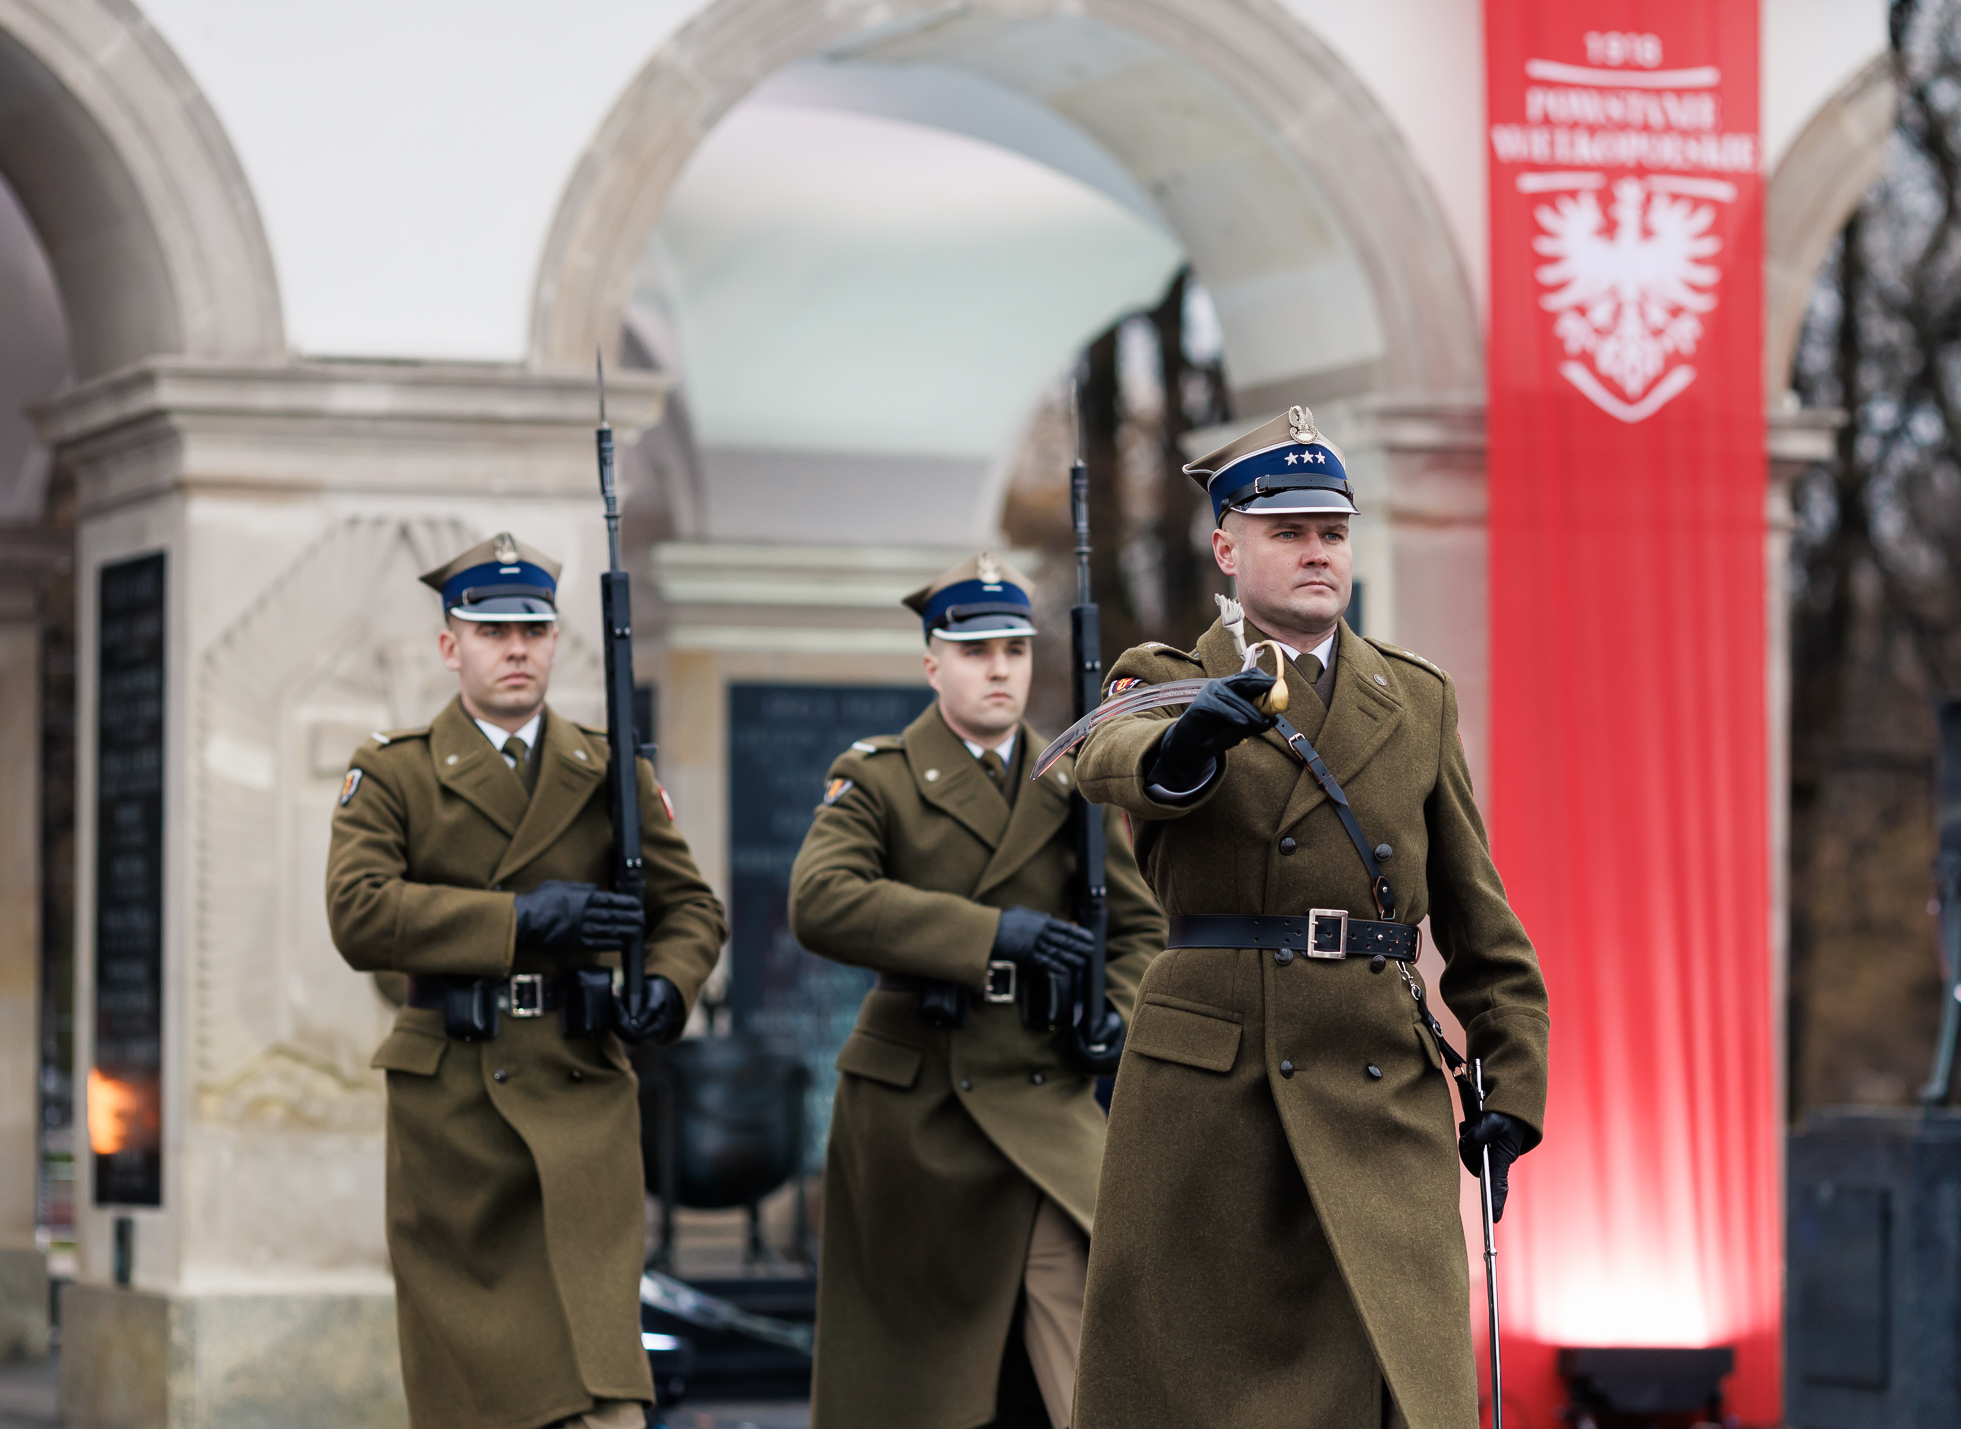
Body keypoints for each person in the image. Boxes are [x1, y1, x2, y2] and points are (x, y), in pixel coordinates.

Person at [1068, 408, 1550, 1429]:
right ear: (1226, 545)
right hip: (1213, 1090)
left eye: (1331, 530)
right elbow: (1103, 760)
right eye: (1286, 531)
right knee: (1198, 1392)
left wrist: (1510, 1078)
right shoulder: (1161, 678)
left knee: (1389, 1384)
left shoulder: (1411, 698)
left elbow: (1478, 916)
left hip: (1375, 1080)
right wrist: (1188, 743)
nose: (1315, 551)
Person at [325, 533, 726, 1429]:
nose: (516, 647)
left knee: (602, 1381)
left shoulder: (608, 769)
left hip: (579, 1086)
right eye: (492, 628)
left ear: (555, 642)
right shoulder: (396, 770)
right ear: (449, 646)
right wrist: (518, 920)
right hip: (456, 1111)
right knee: (488, 1394)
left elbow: (692, 909)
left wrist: (664, 987)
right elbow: (357, 912)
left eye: (534, 629)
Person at [790, 552, 1166, 1429]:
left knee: (1094, 1361)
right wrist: (992, 934)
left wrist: (1112, 1013)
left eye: (1013, 648)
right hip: (921, 1111)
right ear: (934, 664)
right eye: (974, 650)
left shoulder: (1073, 779)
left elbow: (1141, 929)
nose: (999, 667)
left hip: (1045, 1090)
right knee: (924, 1388)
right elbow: (821, 900)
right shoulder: (877, 776)